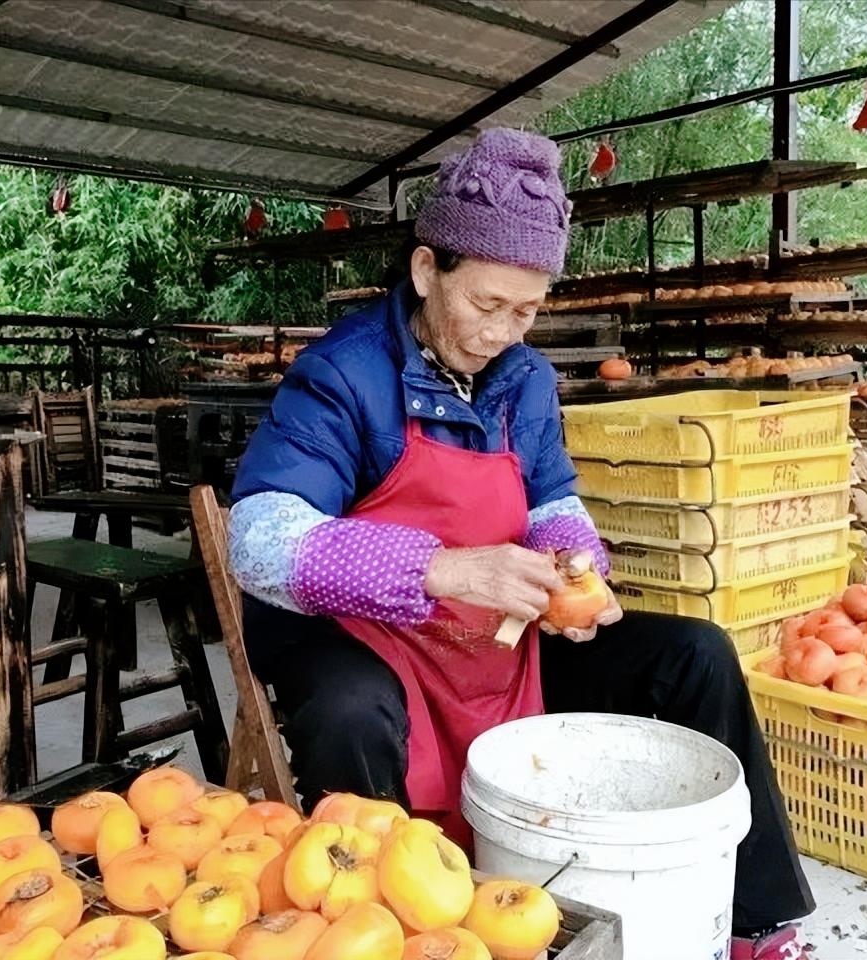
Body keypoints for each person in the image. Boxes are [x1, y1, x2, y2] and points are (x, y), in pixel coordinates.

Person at [229, 127, 815, 959]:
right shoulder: (344, 374)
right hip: (367, 642)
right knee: (348, 712)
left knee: (697, 654)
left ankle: (750, 921)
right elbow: (257, 540)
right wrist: (439, 567)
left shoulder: (525, 380)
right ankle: (382, 931)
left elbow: (553, 500)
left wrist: (579, 569)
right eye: (485, 303)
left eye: (527, 310)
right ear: (428, 269)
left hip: (492, 645)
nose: (502, 330)